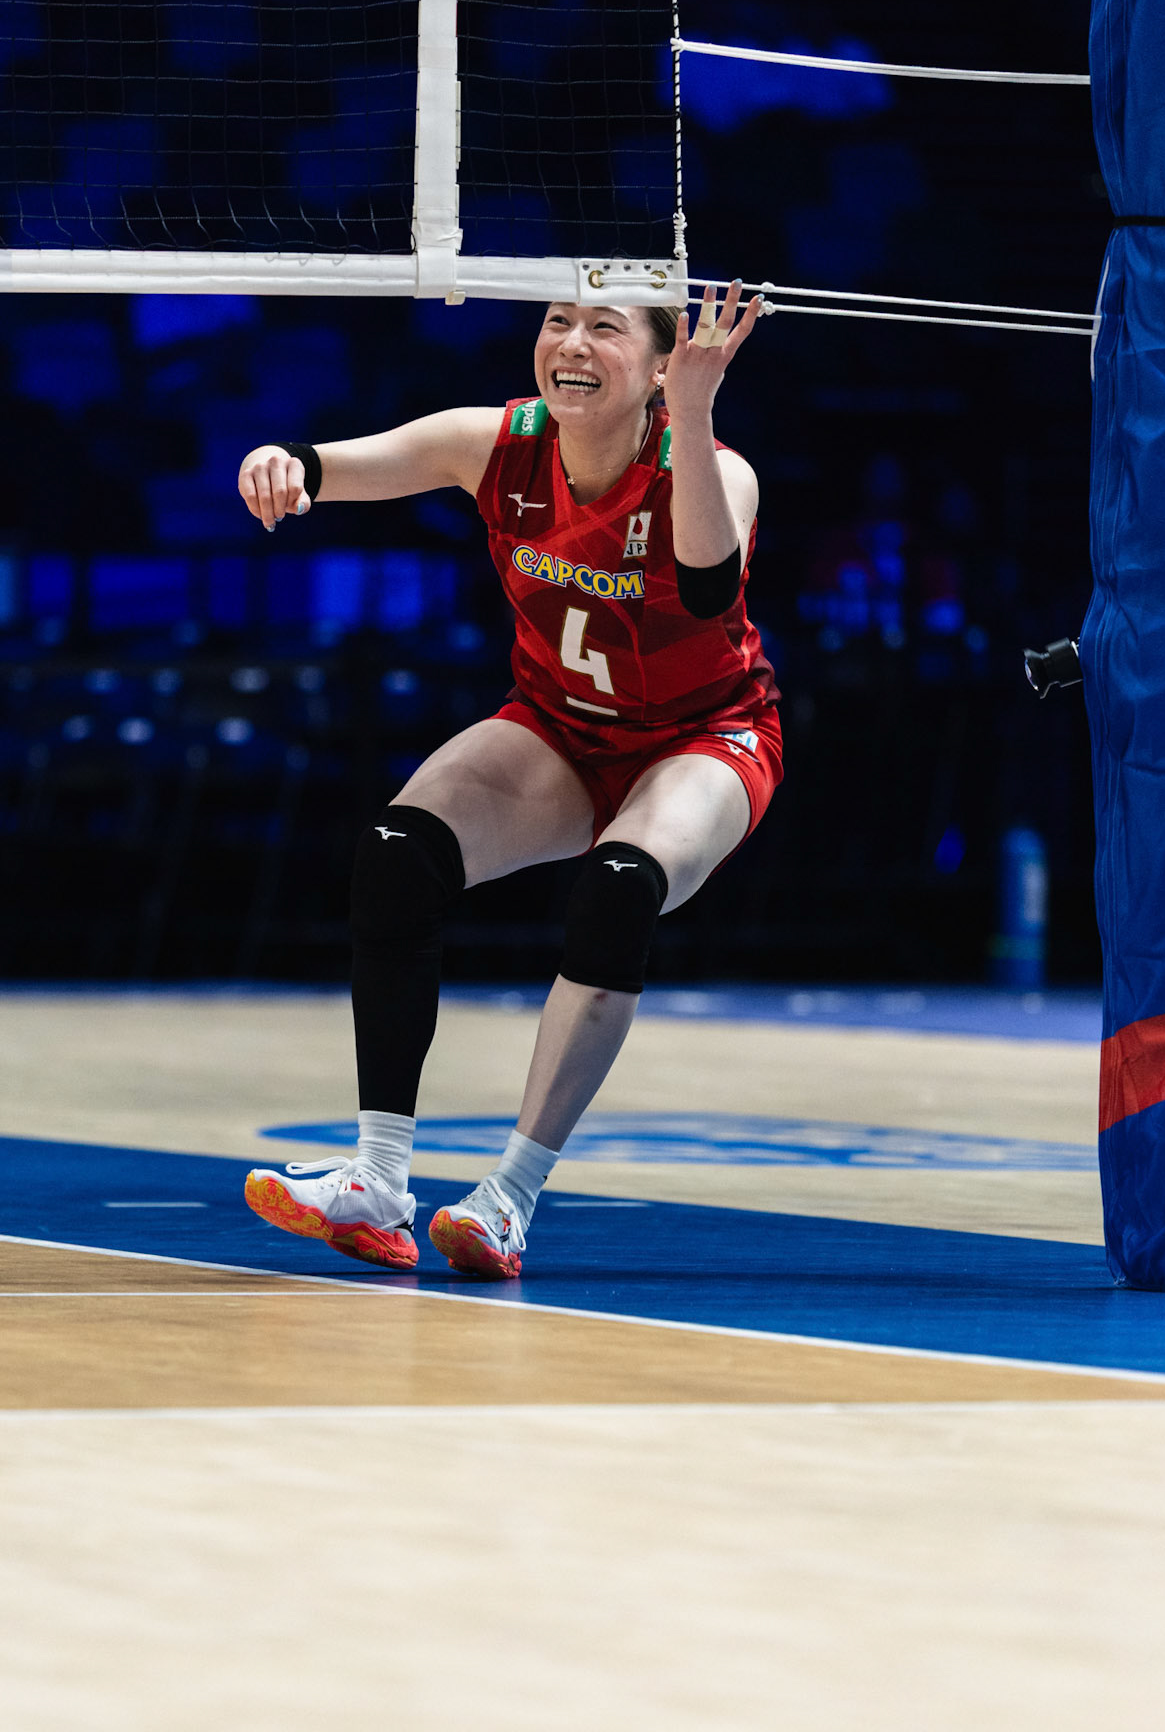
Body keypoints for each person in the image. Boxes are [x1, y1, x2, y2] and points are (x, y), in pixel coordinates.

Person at [236, 281, 779, 1278]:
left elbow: (706, 588)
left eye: (605, 328)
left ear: (662, 365)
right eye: (558, 321)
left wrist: (694, 418)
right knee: (397, 855)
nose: (571, 341)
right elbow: (333, 467)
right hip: (563, 728)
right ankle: (379, 1178)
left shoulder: (716, 467)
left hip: (705, 735)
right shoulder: (496, 442)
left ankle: (510, 1195)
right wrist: (284, 465)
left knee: (617, 888)